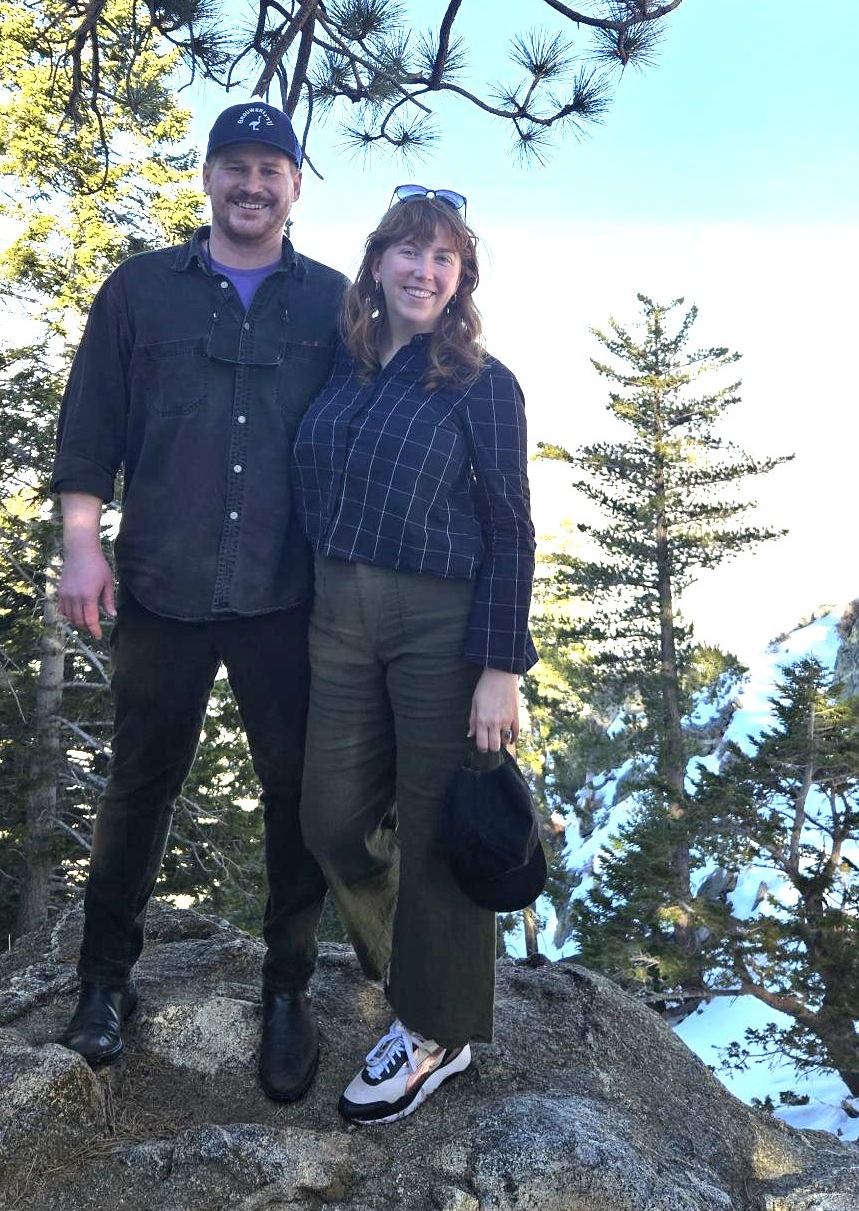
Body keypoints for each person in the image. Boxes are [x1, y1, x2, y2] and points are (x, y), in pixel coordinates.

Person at [51, 101, 348, 1103]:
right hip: (163, 586)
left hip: (285, 595)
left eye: (272, 167)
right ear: (209, 177)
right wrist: (82, 548)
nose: (252, 184)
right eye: (235, 166)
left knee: (295, 797)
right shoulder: (140, 292)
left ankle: (287, 996)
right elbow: (90, 427)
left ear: (296, 185)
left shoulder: (335, 306)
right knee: (139, 785)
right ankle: (103, 983)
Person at [291, 186, 537, 1124]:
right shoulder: (343, 366)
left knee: (440, 826)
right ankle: (415, 969)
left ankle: (436, 1032)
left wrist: (500, 666)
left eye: (444, 259)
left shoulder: (483, 383)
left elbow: (511, 529)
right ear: (378, 262)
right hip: (337, 612)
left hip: (443, 621)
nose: (425, 271)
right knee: (334, 818)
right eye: (409, 252)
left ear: (461, 277)